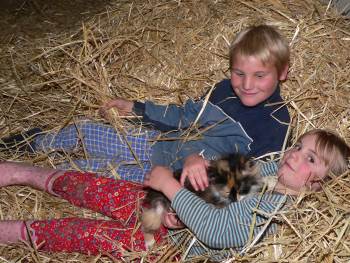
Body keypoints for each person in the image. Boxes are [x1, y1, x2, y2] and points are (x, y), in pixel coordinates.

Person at [0, 24, 290, 191]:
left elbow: (254, 176)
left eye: (259, 76)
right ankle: (32, 142)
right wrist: (137, 109)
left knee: (88, 172)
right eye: (239, 73)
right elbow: (182, 116)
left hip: (168, 179)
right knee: (86, 132)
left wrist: (204, 164)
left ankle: (28, 174)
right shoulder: (223, 90)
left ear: (282, 72)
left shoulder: (276, 122)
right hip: (156, 144)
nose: (247, 84)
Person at [0, 129, 349, 260]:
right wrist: (186, 184)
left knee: (90, 236)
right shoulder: (270, 172)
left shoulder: (276, 212)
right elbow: (214, 183)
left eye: (309, 159)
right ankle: (26, 173)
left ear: (317, 186)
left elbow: (218, 233)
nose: (293, 154)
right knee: (102, 188)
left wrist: (170, 188)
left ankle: (15, 232)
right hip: (171, 214)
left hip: (172, 250)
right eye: (298, 146)